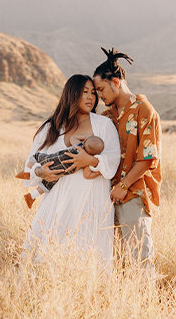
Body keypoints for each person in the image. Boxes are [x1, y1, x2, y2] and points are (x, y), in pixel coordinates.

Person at [21, 75, 121, 267]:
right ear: (71, 94)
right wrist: (42, 172)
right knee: (47, 257)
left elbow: (113, 159)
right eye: (84, 92)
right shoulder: (52, 127)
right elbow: (30, 164)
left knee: (88, 256)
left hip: (91, 202)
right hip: (57, 201)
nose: (91, 97)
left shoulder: (103, 125)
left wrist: (90, 160)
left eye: (93, 93)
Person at [91, 48, 161, 272]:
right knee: (114, 260)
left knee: (139, 257)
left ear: (115, 82)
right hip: (107, 196)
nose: (99, 96)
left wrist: (123, 185)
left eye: (101, 89)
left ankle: (145, 305)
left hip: (133, 194)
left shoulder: (143, 110)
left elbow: (147, 158)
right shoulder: (107, 117)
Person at [20, 135, 105, 207]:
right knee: (46, 186)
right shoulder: (86, 160)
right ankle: (31, 196)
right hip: (57, 172)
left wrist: (86, 137)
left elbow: (73, 138)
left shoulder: (77, 146)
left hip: (52, 159)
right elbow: (87, 175)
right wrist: (98, 172)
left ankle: (27, 172)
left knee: (36, 156)